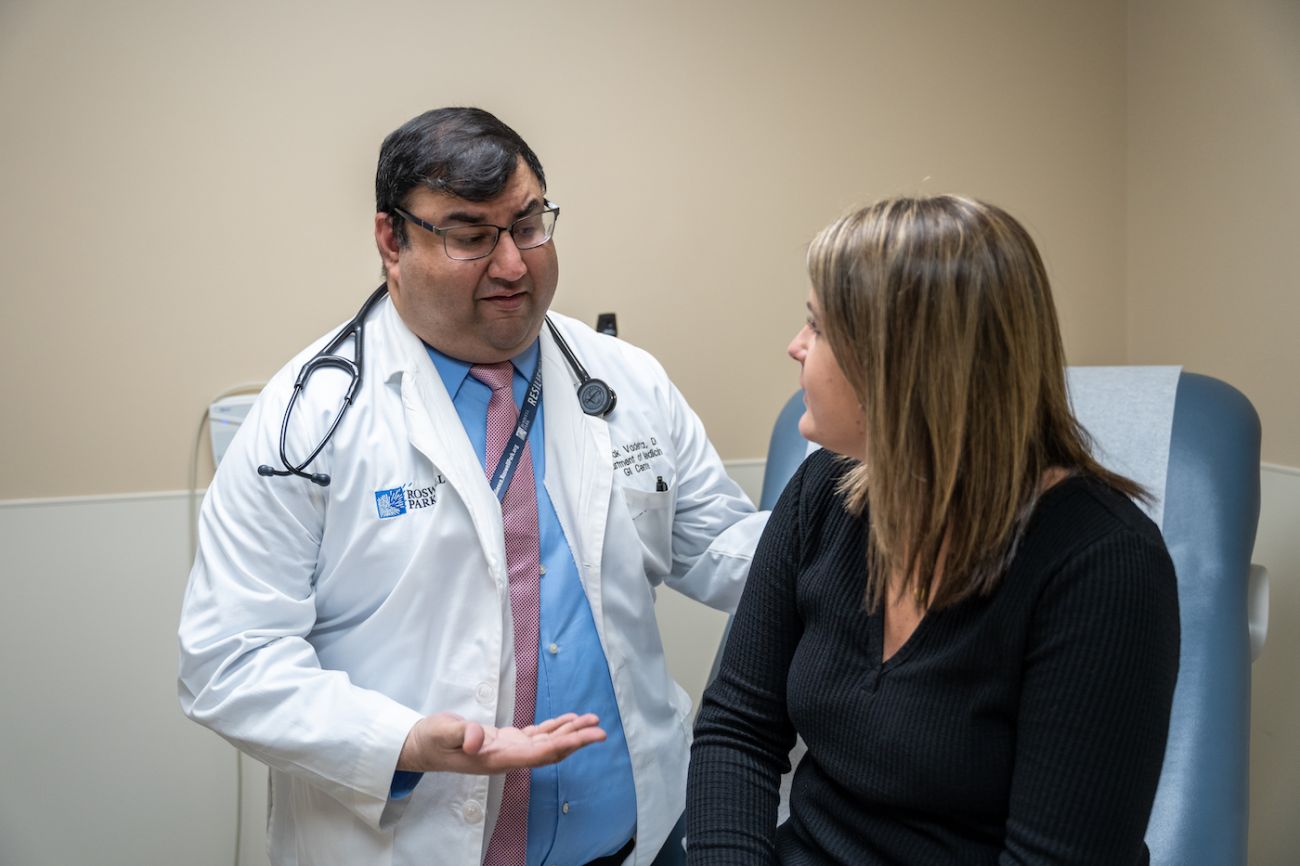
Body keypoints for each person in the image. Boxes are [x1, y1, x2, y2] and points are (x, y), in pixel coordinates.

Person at [178, 107, 766, 866]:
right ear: (392, 239)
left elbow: (722, 545)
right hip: (409, 841)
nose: (514, 263)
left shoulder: (624, 380)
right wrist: (402, 742)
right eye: (469, 235)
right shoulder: (305, 423)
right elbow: (229, 660)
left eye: (528, 225)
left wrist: (881, 528)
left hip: (637, 842)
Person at [685, 196, 1180, 864]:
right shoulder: (822, 495)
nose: (795, 347)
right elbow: (737, 731)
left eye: (818, 327)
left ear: (900, 366)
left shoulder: (1102, 568)